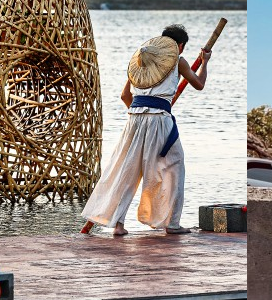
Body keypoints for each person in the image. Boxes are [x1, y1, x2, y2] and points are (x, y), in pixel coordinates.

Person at [80, 24, 210, 236]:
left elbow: (125, 97)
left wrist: (141, 113)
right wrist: (204, 63)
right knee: (174, 165)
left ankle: (118, 225)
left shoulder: (141, 62)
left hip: (134, 119)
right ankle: (172, 223)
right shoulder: (178, 61)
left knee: (127, 170)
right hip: (159, 120)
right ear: (180, 46)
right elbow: (199, 83)